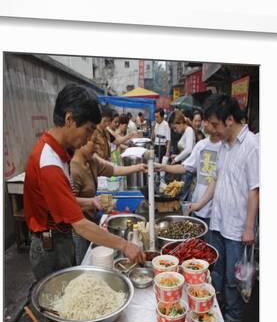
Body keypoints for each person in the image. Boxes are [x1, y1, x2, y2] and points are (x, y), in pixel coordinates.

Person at [23, 83, 145, 281]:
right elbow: (80, 224)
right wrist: (124, 244)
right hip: (50, 246)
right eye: (88, 130)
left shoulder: (60, 152)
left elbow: (60, 200)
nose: (90, 138)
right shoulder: (49, 163)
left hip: (60, 239)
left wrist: (90, 202)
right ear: (69, 119)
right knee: (55, 304)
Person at [188, 94, 259, 322]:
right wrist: (198, 205)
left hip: (238, 228)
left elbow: (255, 190)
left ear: (230, 120)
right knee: (216, 271)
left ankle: (233, 319)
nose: (213, 131)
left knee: (233, 278)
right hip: (217, 221)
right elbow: (214, 180)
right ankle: (217, 311)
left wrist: (249, 228)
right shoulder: (224, 146)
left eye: (216, 125)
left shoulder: (251, 146)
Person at [70, 138, 148, 263]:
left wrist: (138, 167)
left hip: (91, 221)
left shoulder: (91, 162)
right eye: (93, 143)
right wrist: (91, 201)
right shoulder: (73, 169)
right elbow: (69, 203)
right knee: (85, 260)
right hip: (80, 228)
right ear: (81, 142)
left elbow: (114, 170)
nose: (97, 147)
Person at [154, 115, 222, 232]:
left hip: (216, 211)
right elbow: (186, 167)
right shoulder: (201, 145)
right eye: (203, 121)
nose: (203, 124)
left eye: (206, 121)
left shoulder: (225, 146)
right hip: (197, 205)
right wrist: (164, 167)